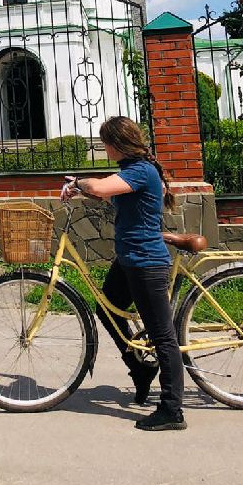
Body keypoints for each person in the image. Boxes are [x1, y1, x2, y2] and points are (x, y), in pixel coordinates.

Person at [61, 115, 186, 432]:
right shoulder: (130, 171)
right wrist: (82, 189)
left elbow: (102, 187)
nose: (103, 148)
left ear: (117, 144)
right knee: (107, 309)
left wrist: (78, 184)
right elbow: (105, 189)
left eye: (104, 142)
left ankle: (172, 410)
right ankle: (139, 367)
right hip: (128, 260)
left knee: (163, 337)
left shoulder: (142, 172)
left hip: (146, 262)